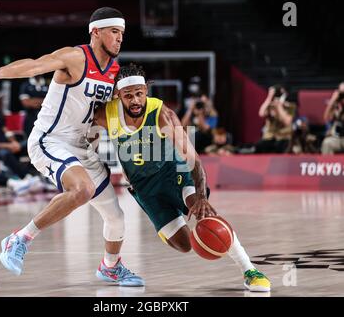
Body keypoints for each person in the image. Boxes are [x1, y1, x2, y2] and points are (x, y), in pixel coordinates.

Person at [0, 7, 144, 286]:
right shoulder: (75, 57)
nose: (119, 38)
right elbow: (35, 64)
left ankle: (110, 266)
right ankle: (19, 239)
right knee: (82, 189)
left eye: (122, 33)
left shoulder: (114, 72)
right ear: (95, 32)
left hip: (82, 148)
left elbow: (103, 117)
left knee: (116, 217)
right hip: (50, 140)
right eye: (114, 31)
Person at [92, 64, 271, 292]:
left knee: (203, 214)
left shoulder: (162, 115)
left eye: (139, 93)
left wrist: (201, 195)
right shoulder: (105, 115)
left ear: (146, 90)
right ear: (119, 95)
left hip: (173, 171)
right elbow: (77, 128)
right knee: (185, 245)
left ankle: (250, 270)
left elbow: (193, 159)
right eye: (128, 96)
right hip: (143, 188)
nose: (135, 100)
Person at [256, 85, 296, 153]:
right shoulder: (271, 106)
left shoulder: (290, 106)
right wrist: (269, 97)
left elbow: (287, 122)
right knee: (259, 146)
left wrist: (279, 106)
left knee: (281, 146)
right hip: (270, 136)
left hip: (283, 137)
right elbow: (261, 114)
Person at [321, 82, 344, 154]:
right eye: (341, 94)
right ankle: (326, 164)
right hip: (339, 138)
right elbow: (326, 118)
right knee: (327, 143)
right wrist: (332, 100)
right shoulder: (337, 105)